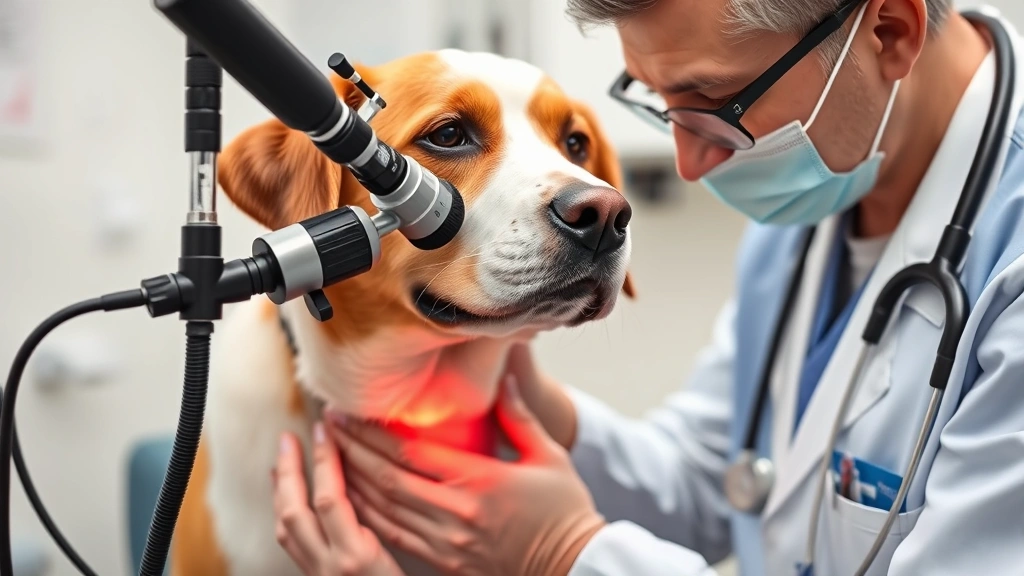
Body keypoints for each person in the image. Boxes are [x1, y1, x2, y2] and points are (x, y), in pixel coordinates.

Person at [271, 0, 1024, 574]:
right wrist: (546, 414)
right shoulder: (821, 190)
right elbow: (716, 479)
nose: (693, 162)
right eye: (663, 105)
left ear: (890, 30)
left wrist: (569, 549)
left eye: (717, 103)